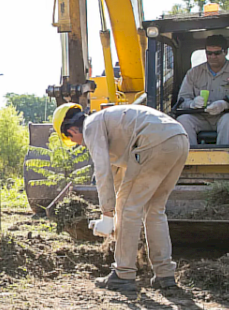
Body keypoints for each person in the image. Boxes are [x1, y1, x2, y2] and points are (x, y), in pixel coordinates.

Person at [53, 103, 189, 291]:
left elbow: (102, 172)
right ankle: (165, 275)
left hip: (153, 140)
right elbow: (118, 181)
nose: (78, 144)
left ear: (71, 130)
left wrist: (107, 215)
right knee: (154, 211)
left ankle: (123, 274)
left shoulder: (91, 126)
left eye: (73, 140)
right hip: (178, 138)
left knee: (128, 208)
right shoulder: (113, 125)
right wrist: (114, 217)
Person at [176, 34, 229, 145]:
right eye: (208, 53)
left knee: (228, 120)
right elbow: (182, 99)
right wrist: (192, 104)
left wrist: (225, 104)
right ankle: (190, 159)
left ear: (225, 52)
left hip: (224, 116)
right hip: (200, 117)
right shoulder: (194, 73)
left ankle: (223, 159)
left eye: (217, 53)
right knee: (183, 120)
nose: (212, 57)